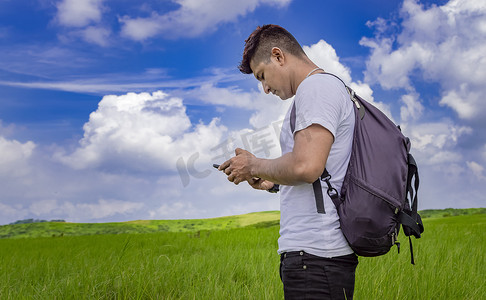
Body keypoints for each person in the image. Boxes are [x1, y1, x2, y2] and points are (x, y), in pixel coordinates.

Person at [218, 24, 358, 299]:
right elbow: (321, 171)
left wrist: (253, 165)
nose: (265, 88)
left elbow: (306, 167)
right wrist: (272, 182)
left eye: (262, 76)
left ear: (278, 56)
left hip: (317, 258)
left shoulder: (316, 88)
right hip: (316, 258)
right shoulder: (321, 90)